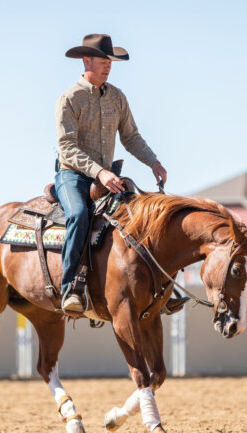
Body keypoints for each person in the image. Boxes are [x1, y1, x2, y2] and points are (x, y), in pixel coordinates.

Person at [55, 33, 167, 313]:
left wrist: (153, 162)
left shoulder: (117, 97)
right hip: (73, 176)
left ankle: (160, 288)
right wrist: (99, 172)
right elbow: (66, 148)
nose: (107, 66)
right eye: (103, 61)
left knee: (143, 216)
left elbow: (131, 137)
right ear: (86, 60)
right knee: (79, 214)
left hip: (109, 178)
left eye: (110, 62)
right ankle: (71, 288)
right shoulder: (70, 99)